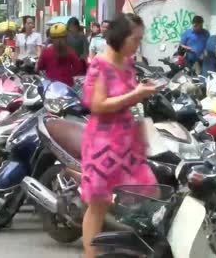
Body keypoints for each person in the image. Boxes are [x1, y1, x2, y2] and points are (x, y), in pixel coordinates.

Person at [81, 13, 158, 258]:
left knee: (150, 190)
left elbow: (131, 102)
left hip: (127, 141)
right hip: (103, 144)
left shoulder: (127, 64)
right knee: (98, 204)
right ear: (120, 38)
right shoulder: (100, 64)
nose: (137, 44)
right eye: (135, 39)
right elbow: (98, 104)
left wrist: (141, 135)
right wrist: (136, 95)